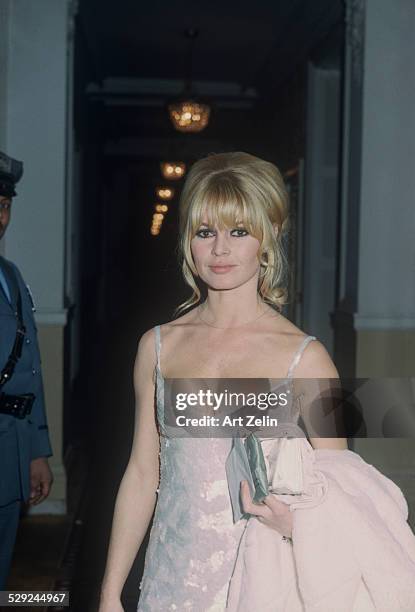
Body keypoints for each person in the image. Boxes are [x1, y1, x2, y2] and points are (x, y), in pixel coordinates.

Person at [99, 152, 415, 612]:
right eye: (206, 232)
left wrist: (292, 525)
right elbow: (143, 474)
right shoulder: (158, 346)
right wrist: (110, 593)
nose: (220, 249)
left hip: (266, 582)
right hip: (171, 583)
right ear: (188, 241)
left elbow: (344, 495)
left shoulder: (306, 359)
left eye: (239, 232)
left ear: (267, 239)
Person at [0, 151, 53, 589]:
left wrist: (37, 452)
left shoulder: (11, 276)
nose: (0, 215)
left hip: (11, 447)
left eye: (4, 205)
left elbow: (29, 369)